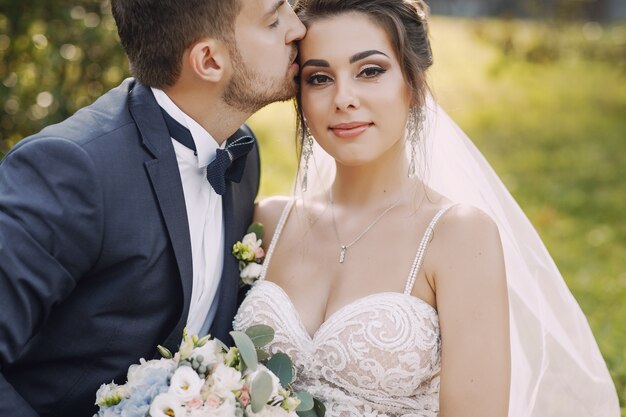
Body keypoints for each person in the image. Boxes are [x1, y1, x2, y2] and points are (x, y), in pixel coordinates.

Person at [234, 0, 620, 416]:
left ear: (414, 85)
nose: (344, 98)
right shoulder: (267, 222)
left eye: (370, 71)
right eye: (320, 77)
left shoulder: (458, 236)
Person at [0, 0, 305, 415]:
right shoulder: (71, 170)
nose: (298, 29)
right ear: (210, 60)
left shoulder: (239, 153)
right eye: (274, 20)